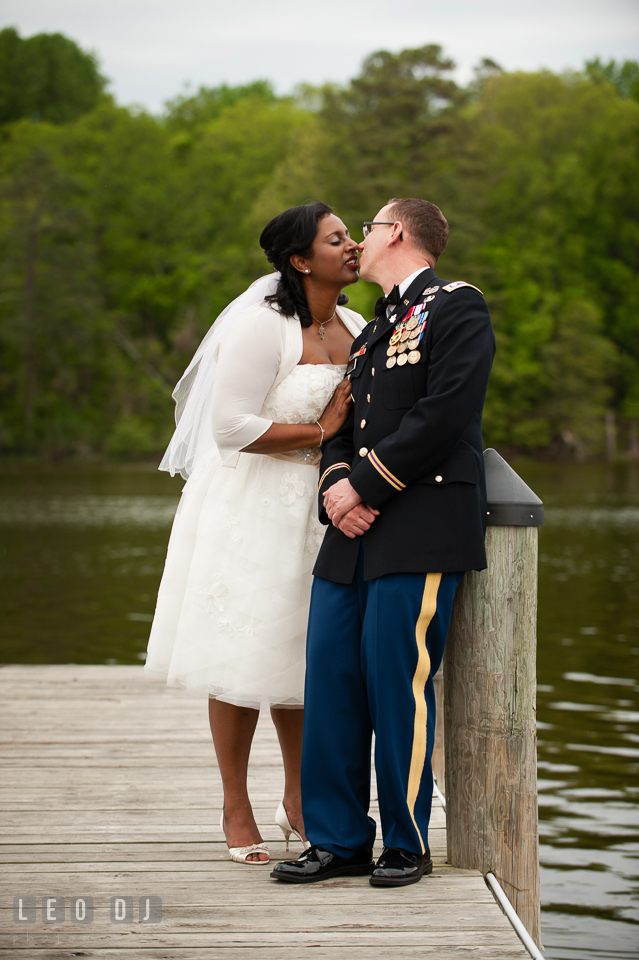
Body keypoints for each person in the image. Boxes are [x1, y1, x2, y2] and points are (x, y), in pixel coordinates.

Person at [271, 198, 495, 886]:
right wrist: (339, 486)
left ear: (395, 233)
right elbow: (339, 426)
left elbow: (444, 411)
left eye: (366, 229)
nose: (357, 242)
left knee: (400, 687)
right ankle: (337, 841)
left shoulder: (454, 307)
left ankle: (404, 843)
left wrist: (362, 486)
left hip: (418, 529)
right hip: (351, 536)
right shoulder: (372, 332)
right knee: (331, 684)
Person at [145, 202, 366, 865]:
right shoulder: (258, 327)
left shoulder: (354, 324)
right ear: (301, 260)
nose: (353, 245)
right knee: (240, 656)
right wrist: (322, 431)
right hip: (254, 505)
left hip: (323, 511)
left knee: (306, 658)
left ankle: (298, 798)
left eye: (352, 234)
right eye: (336, 239)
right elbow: (231, 428)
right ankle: (235, 806)